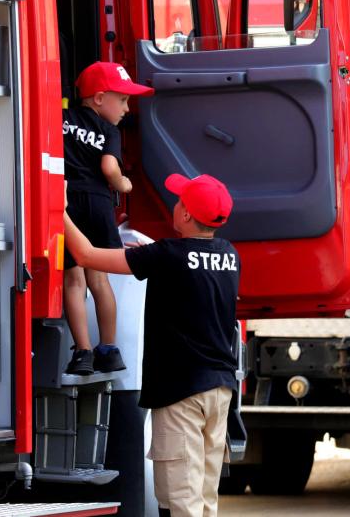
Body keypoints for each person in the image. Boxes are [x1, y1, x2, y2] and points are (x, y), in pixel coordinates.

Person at [64, 173, 240, 517]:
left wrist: (58, 210)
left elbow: (84, 256)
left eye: (179, 201)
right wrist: (150, 257)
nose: (175, 205)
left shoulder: (166, 255)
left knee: (181, 502)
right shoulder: (229, 254)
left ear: (186, 214)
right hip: (219, 389)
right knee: (204, 498)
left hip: (181, 393)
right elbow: (192, 267)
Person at [62, 61, 154, 375]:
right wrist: (124, 184)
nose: (127, 108)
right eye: (123, 100)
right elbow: (109, 168)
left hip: (67, 204)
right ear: (99, 98)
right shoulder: (109, 130)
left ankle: (83, 352)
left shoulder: (62, 119)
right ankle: (109, 349)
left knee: (73, 280)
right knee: (99, 280)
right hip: (98, 205)